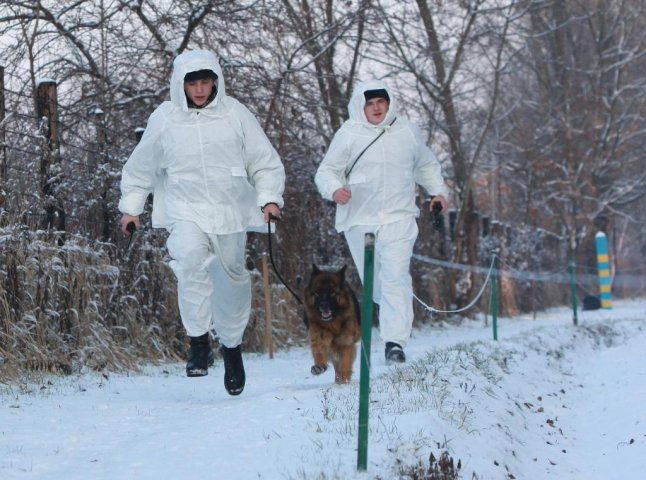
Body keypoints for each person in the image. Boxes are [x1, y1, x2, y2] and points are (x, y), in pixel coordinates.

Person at [118, 49, 285, 395]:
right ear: (180, 83)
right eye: (192, 82)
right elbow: (141, 166)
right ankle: (197, 343)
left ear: (216, 82)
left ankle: (232, 349)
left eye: (205, 81)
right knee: (190, 259)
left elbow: (264, 160)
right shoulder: (165, 118)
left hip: (230, 211)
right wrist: (132, 208)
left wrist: (269, 197)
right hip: (184, 208)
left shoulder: (235, 113)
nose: (199, 89)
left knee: (232, 279)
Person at [314, 80, 448, 365]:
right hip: (359, 219)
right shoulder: (349, 133)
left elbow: (425, 165)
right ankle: (389, 313)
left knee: (396, 277)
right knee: (376, 284)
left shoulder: (407, 131)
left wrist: (437, 192)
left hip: (399, 217)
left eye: (381, 102)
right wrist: (335, 189)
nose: (376, 108)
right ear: (361, 106)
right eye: (370, 103)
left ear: (390, 104)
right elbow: (326, 171)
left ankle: (394, 342)